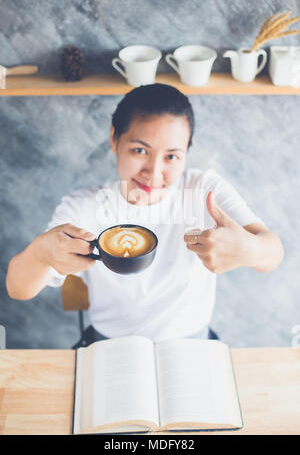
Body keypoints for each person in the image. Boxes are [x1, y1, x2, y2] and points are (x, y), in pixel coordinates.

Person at [6, 84, 284, 346]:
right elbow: (17, 288)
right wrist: (42, 253)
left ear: (186, 154)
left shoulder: (204, 191)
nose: (153, 172)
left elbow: (273, 253)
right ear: (115, 139)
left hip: (193, 344)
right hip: (109, 347)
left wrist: (249, 248)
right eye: (140, 150)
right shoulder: (84, 207)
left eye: (171, 156)